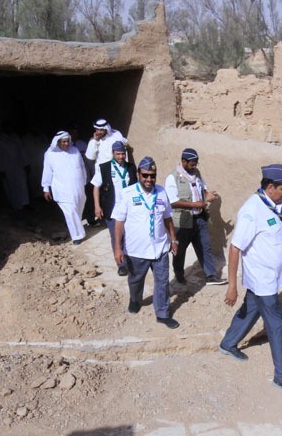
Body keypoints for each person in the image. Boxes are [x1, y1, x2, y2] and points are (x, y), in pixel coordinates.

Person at [219, 164, 282, 396]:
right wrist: (232, 286)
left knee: (251, 309)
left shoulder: (277, 206)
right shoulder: (251, 211)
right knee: (277, 326)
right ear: (270, 187)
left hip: (271, 278)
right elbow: (235, 248)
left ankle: (228, 343)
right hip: (261, 277)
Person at [111, 157, 180, 329]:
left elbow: (167, 218)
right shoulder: (127, 194)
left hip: (160, 248)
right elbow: (119, 222)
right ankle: (135, 299)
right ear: (138, 174)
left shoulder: (161, 192)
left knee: (162, 282)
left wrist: (173, 239)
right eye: (145, 175)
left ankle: (162, 313)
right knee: (135, 279)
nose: (149, 179)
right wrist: (118, 248)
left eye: (152, 176)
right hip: (136, 250)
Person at [165, 148, 227, 285]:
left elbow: (202, 189)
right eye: (192, 164)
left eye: (196, 164)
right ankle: (179, 276)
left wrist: (207, 195)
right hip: (182, 222)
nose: (194, 167)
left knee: (205, 247)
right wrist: (194, 205)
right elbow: (172, 202)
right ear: (183, 161)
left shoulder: (197, 173)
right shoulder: (172, 178)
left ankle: (211, 276)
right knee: (180, 251)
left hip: (200, 218)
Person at [92, 140, 137, 275]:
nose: (121, 157)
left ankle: (131, 261)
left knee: (130, 236)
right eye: (118, 154)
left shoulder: (131, 167)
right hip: (112, 209)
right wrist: (97, 206)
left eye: (123, 154)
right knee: (116, 237)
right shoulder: (104, 168)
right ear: (112, 153)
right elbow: (96, 187)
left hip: (129, 209)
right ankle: (121, 264)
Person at [41, 131, 87, 244]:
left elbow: (82, 167)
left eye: (67, 141)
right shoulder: (50, 154)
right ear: (57, 142)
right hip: (62, 189)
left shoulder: (75, 150)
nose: (66, 144)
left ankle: (76, 227)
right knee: (70, 211)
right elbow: (47, 171)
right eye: (63, 142)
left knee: (78, 209)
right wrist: (46, 188)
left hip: (78, 188)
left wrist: (84, 181)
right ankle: (77, 236)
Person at [0, 120, 31, 210]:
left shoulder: (15, 137)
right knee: (11, 185)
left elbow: (22, 150)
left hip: (19, 165)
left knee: (22, 184)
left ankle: (25, 203)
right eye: (7, 127)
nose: (9, 129)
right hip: (7, 167)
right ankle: (15, 204)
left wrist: (26, 163)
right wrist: (1, 169)